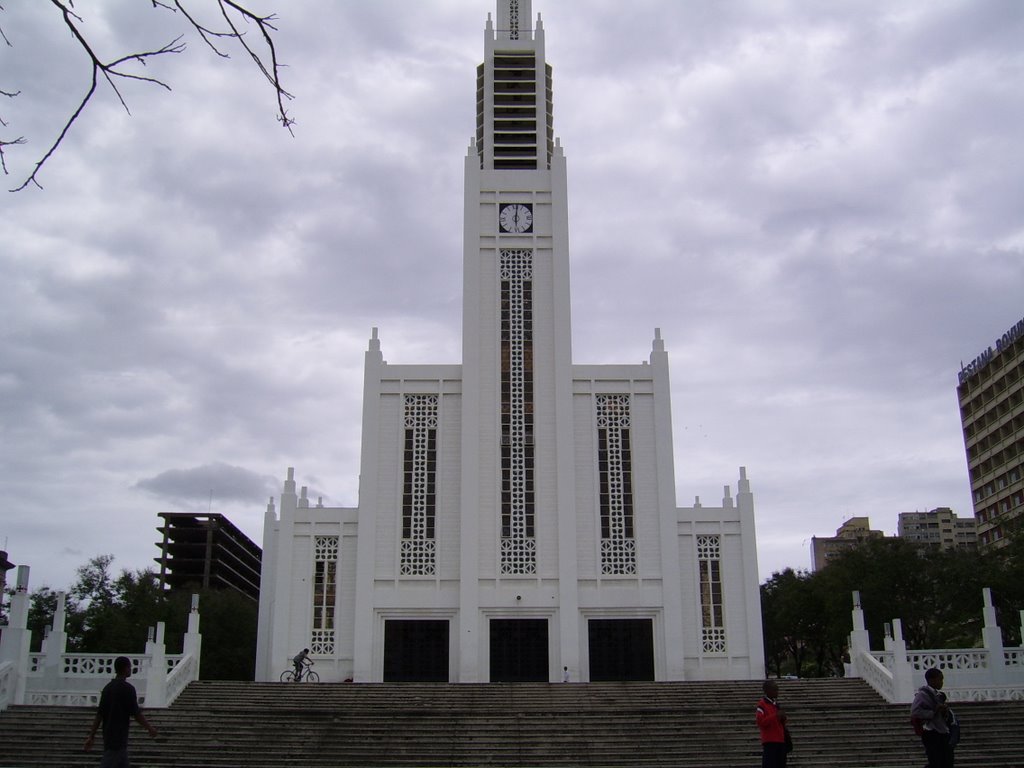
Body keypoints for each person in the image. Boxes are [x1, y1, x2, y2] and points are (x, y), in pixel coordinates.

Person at [84, 655, 158, 767]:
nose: (130, 669)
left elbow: (99, 715)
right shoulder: (128, 689)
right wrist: (149, 728)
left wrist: (91, 736)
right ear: (125, 668)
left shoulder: (107, 688)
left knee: (121, 760)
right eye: (129, 667)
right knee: (110, 760)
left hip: (108, 734)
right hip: (118, 736)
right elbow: (136, 713)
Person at [911, 668, 955, 768]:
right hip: (931, 732)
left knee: (947, 760)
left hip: (942, 731)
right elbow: (915, 712)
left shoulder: (938, 695)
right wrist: (934, 712)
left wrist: (944, 712)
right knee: (936, 761)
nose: (942, 682)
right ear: (932, 680)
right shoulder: (922, 695)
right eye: (940, 679)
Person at [755, 680, 789, 768]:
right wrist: (775, 716)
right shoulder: (762, 705)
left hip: (780, 740)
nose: (777, 692)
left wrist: (783, 718)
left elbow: (781, 723)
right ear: (767, 690)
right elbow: (761, 722)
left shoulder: (776, 704)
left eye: (777, 690)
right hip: (770, 741)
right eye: (775, 690)